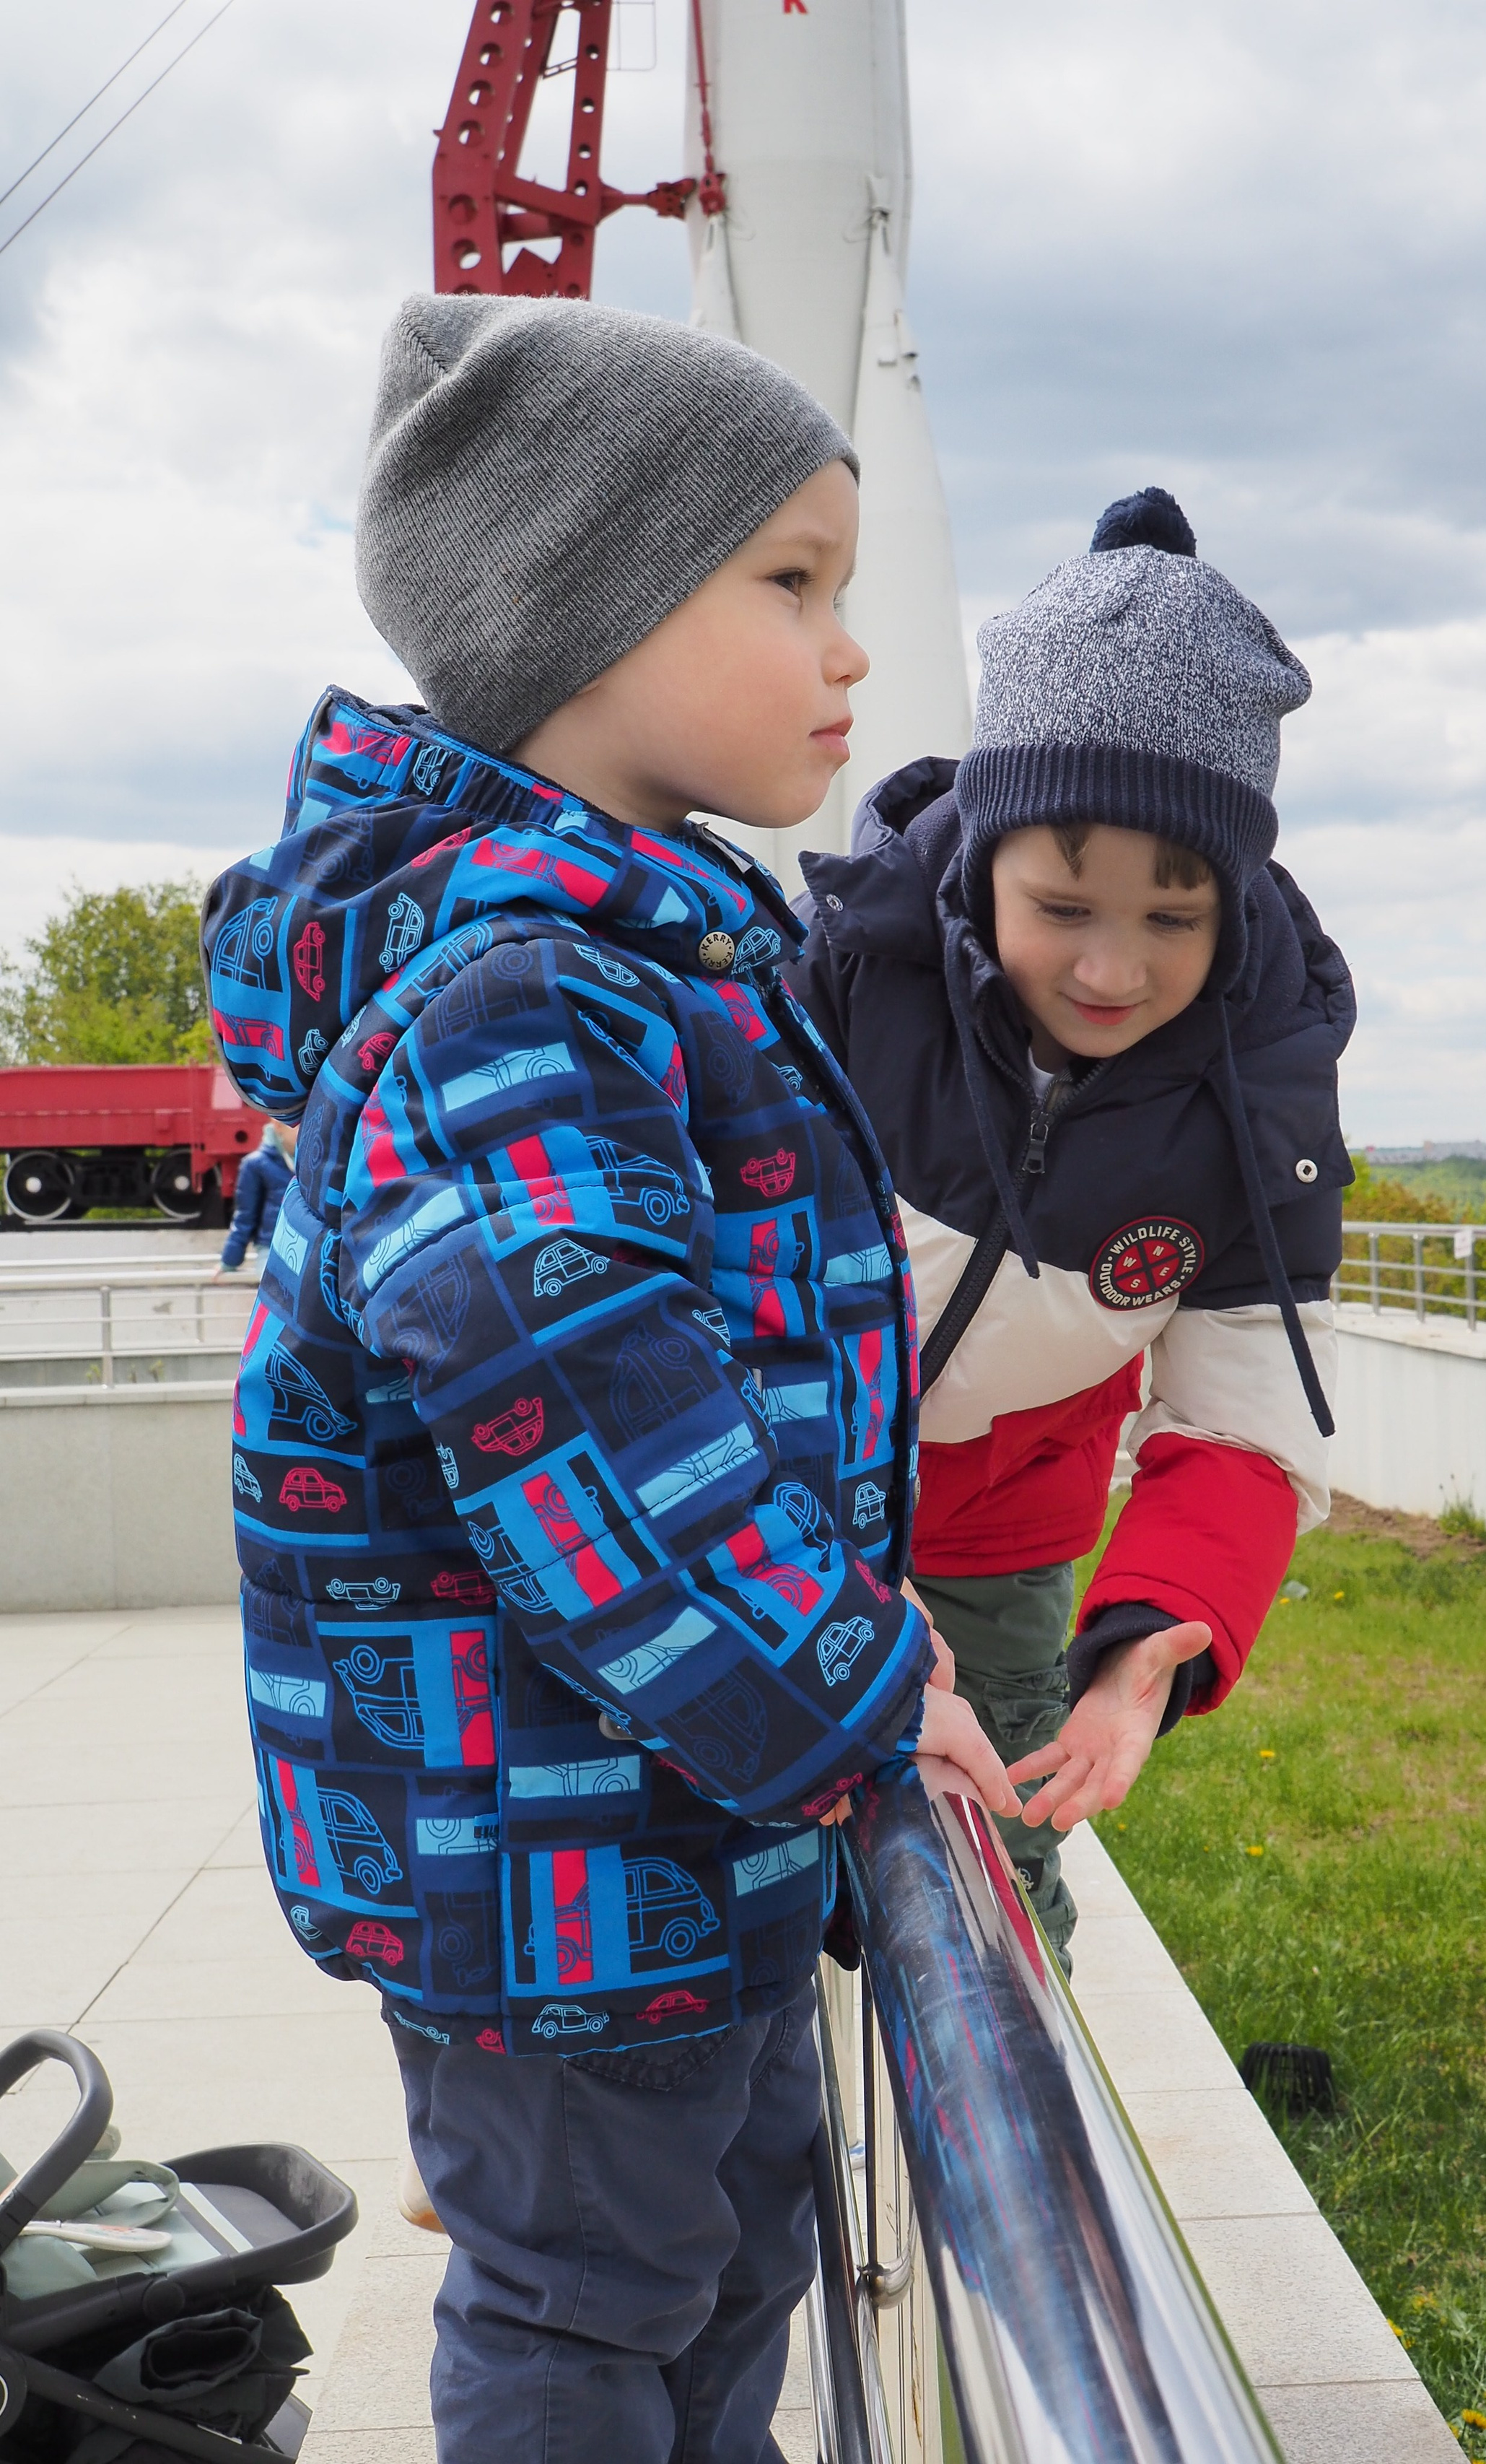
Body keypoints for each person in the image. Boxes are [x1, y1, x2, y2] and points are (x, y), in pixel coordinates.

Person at [203, 295, 1015, 2464]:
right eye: (789, 581)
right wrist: (868, 1690)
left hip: (661, 1823)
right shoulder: (517, 998)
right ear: (586, 604)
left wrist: (842, 1682)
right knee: (588, 2300)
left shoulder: (640, 950)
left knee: (732, 2254)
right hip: (541, 1865)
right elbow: (614, 1457)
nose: (848, 649)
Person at [787, 487, 1354, 1966]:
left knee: (987, 1893)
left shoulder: (1261, 1092)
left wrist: (1146, 1646)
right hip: (769, 1513)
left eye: (1175, 918)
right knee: (739, 1864)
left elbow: (1240, 1418)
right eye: (1061, 903)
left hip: (998, 1549)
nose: (1111, 967)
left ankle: (1013, 2173)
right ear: (978, 858)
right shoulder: (848, 972)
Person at [214, 1118, 294, 1275]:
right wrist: (229, 1261)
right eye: (297, 1125)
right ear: (278, 1126)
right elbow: (245, 1217)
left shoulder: (313, 1161)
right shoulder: (256, 1164)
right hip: (272, 1249)